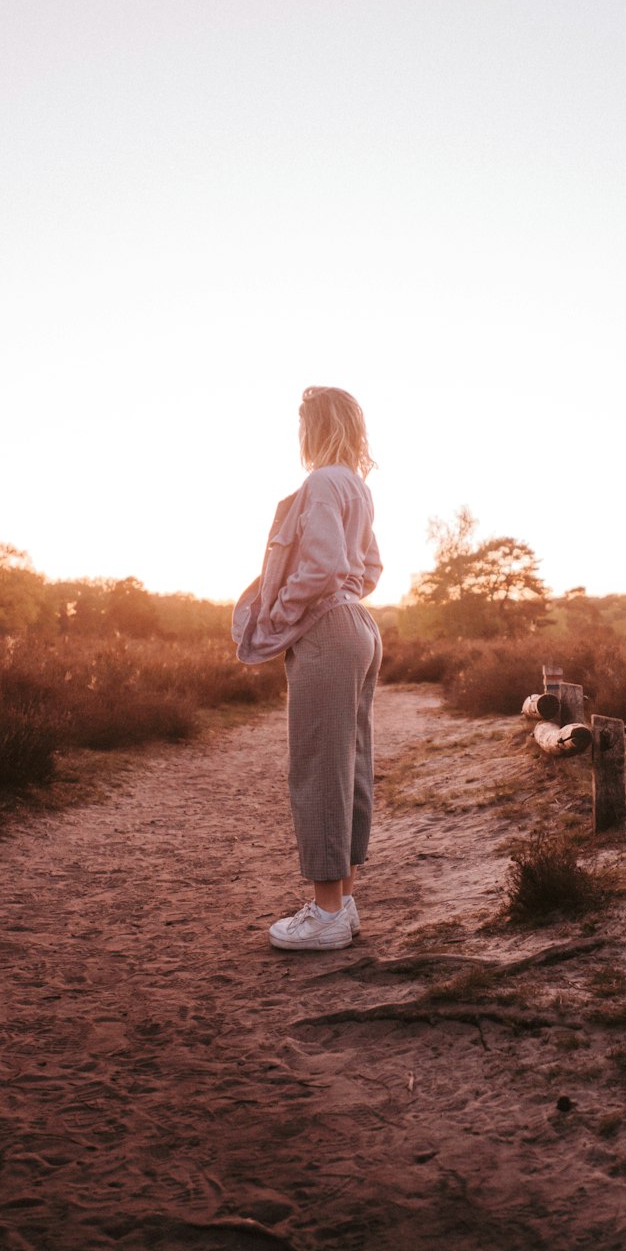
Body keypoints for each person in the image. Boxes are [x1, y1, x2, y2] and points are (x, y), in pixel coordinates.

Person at [232, 386, 382, 951]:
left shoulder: (321, 483)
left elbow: (322, 568)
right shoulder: (356, 487)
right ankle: (341, 902)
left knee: (320, 766)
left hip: (328, 629)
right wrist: (339, 595)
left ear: (313, 429)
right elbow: (368, 567)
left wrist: (282, 613)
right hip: (359, 626)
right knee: (350, 762)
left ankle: (325, 916)